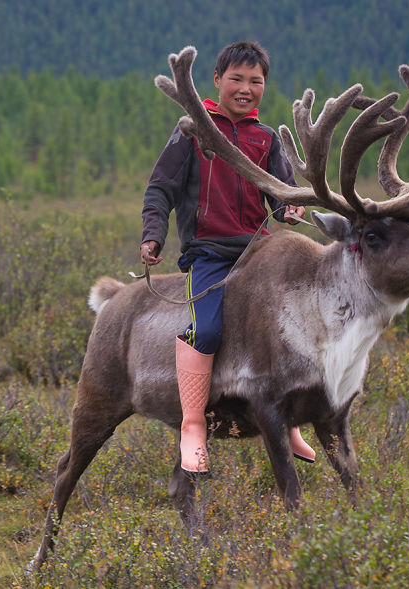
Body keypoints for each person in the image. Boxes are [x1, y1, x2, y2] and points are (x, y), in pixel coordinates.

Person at [140, 40, 316, 473]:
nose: (245, 88)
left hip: (260, 254)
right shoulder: (191, 133)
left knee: (290, 331)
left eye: (255, 81)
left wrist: (291, 210)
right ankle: (194, 424)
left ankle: (290, 420)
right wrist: (153, 235)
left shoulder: (266, 138)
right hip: (211, 255)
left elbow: (282, 195)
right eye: (236, 79)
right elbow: (160, 189)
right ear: (217, 80)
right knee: (209, 329)